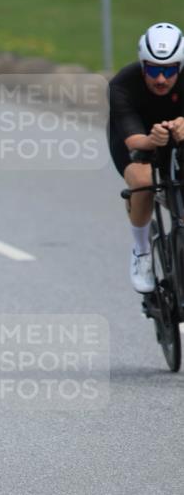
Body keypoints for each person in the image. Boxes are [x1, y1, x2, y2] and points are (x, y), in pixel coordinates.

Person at [108, 21, 184, 293]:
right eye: (153, 69)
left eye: (168, 70)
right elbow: (134, 142)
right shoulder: (122, 84)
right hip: (136, 141)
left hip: (178, 139)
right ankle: (141, 252)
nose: (160, 79)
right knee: (142, 180)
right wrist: (152, 140)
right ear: (142, 65)